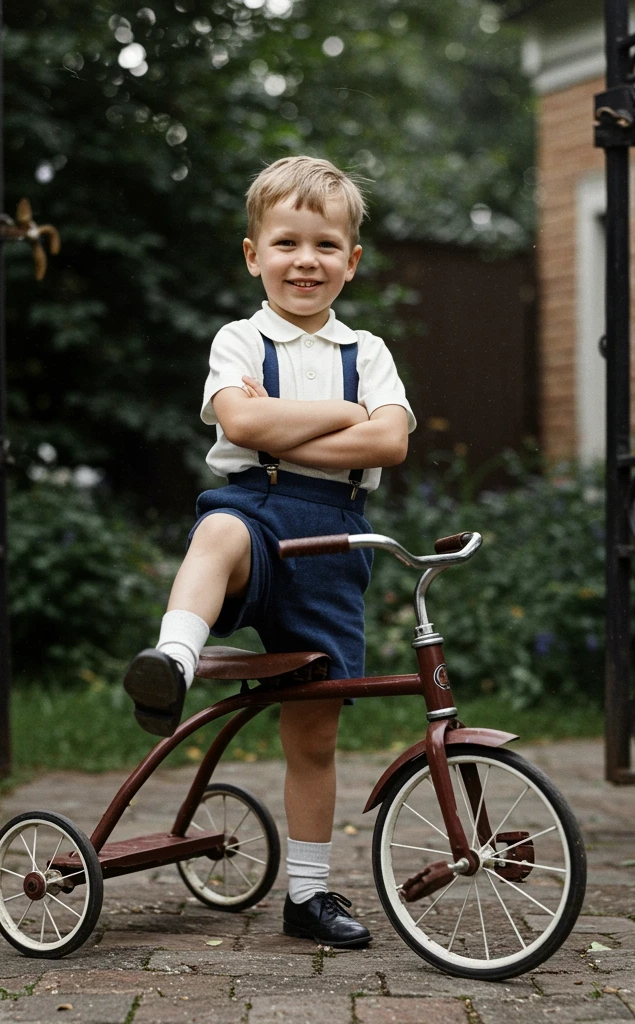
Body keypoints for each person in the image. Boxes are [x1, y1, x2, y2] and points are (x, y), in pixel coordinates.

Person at [124, 155, 415, 948]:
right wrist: (340, 417)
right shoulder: (239, 340)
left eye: (325, 245)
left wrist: (291, 424)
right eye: (286, 242)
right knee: (216, 533)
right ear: (254, 254)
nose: (305, 261)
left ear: (351, 261)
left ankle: (309, 896)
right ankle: (173, 660)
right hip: (256, 514)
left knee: (313, 733)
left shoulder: (371, 352)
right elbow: (241, 430)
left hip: (335, 544)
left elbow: (388, 442)